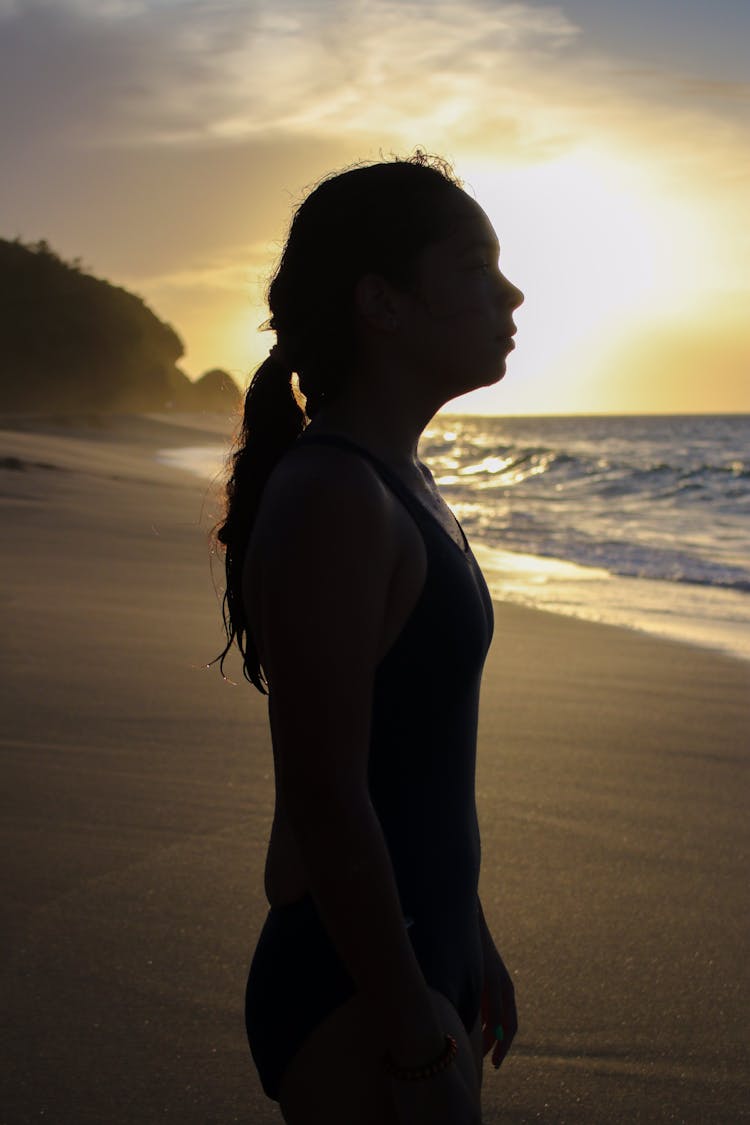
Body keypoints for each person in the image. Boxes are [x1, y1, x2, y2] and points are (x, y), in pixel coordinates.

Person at [214, 152, 524, 1124]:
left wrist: (471, 939)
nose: (510, 291)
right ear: (382, 303)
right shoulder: (336, 496)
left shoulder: (401, 483)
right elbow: (323, 796)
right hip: (357, 989)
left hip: (415, 957)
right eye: (475, 267)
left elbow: (411, 755)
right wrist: (412, 1035)